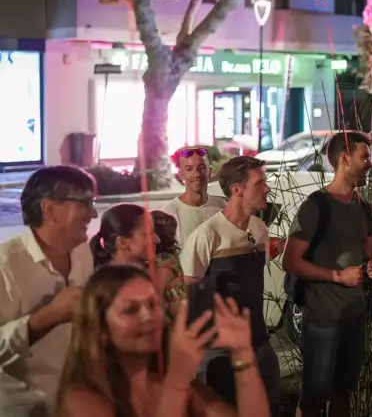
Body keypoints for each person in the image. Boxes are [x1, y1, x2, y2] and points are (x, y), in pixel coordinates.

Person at [57, 264, 270, 417]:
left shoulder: (170, 384)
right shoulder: (81, 400)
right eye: (131, 310)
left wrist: (243, 354)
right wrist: (177, 379)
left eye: (152, 304)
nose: (148, 317)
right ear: (101, 329)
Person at [282, 131, 372, 417]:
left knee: (343, 392)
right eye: (364, 157)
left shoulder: (364, 208)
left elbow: (369, 257)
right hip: (323, 316)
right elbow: (290, 261)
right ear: (344, 159)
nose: (370, 163)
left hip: (354, 314)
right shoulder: (316, 205)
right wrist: (337, 277)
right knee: (314, 397)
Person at [180, 156, 280, 411]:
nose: (267, 188)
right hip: (220, 351)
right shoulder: (207, 235)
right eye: (260, 183)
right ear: (237, 190)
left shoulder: (258, 228)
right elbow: (189, 294)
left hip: (259, 342)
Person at [0, 166, 97, 417]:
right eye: (85, 203)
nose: (93, 213)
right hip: (27, 409)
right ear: (49, 208)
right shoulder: (5, 265)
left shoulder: (82, 252)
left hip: (81, 404)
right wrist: (47, 317)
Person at [162, 147, 227, 245]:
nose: (196, 174)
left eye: (201, 168)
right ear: (181, 174)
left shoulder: (224, 208)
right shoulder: (169, 213)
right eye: (189, 169)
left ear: (209, 172)